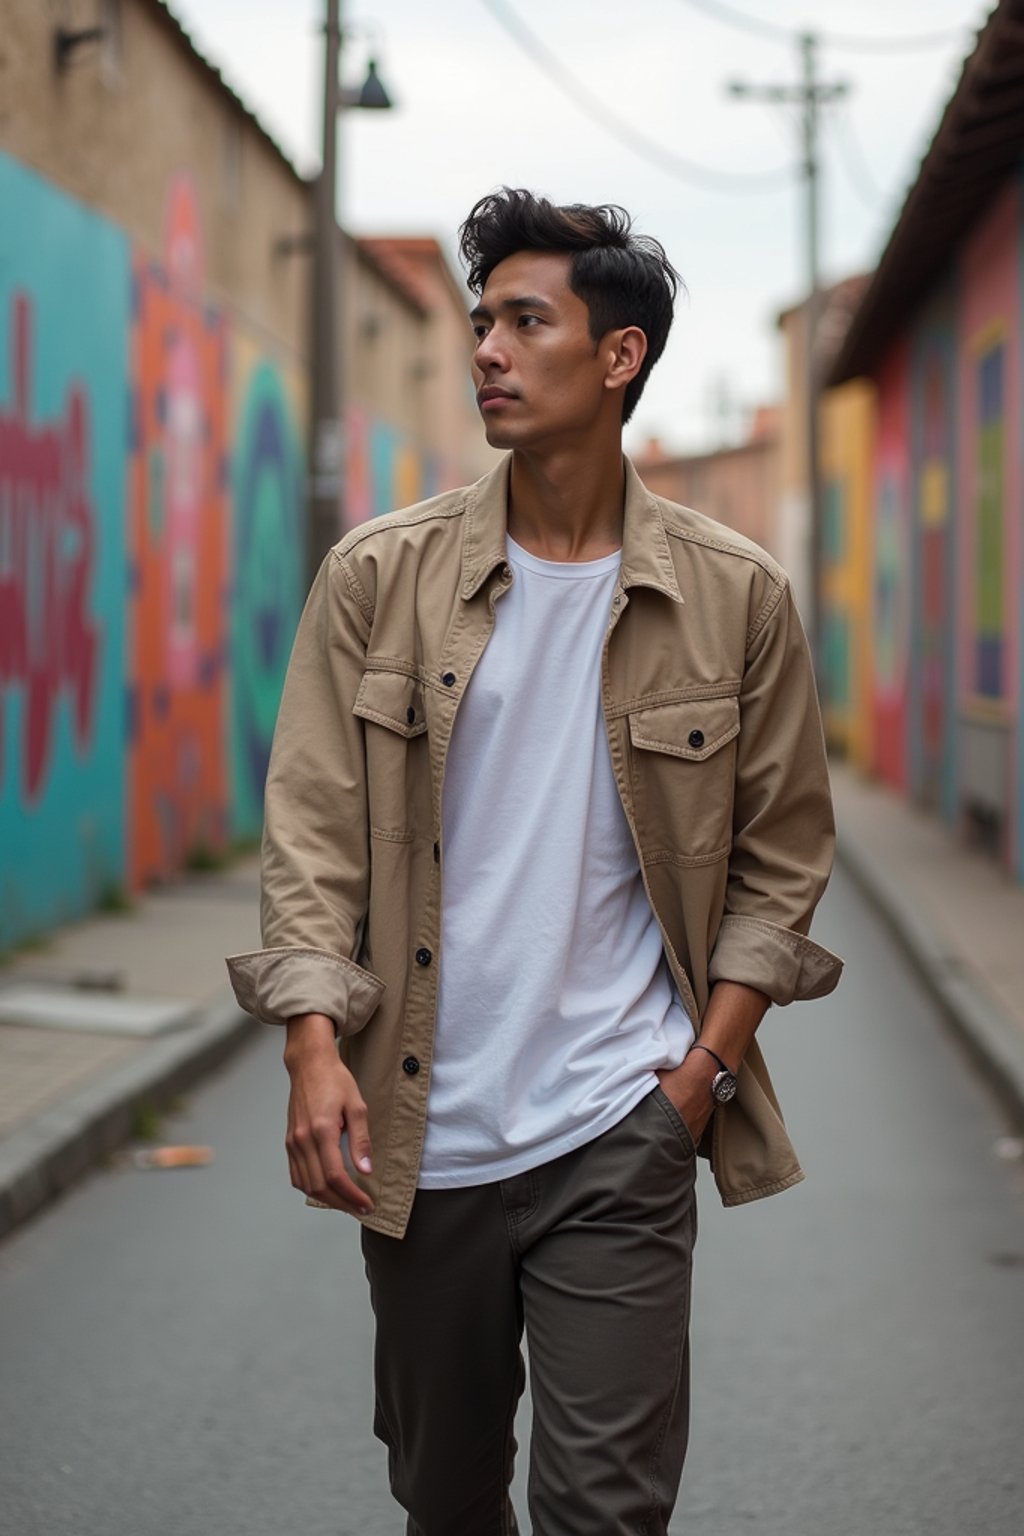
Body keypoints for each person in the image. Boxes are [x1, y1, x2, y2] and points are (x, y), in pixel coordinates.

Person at [227, 187, 842, 1536]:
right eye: (480, 322)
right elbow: (314, 831)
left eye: (525, 320)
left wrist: (700, 1077)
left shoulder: (735, 596)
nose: (486, 352)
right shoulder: (378, 577)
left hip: (615, 1126)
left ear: (618, 356)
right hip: (424, 1134)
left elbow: (782, 855)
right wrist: (311, 1044)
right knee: (444, 1498)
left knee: (604, 1512)